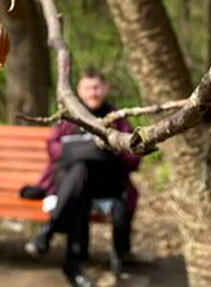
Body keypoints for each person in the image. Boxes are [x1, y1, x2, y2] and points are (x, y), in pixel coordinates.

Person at [21, 68, 140, 286]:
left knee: (82, 174)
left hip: (106, 183)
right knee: (80, 179)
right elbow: (54, 149)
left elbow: (133, 158)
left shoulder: (116, 118)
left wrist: (109, 152)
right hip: (74, 182)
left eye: (96, 87)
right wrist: (87, 150)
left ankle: (50, 233)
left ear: (105, 89)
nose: (92, 92)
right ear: (79, 90)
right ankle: (72, 264)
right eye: (88, 88)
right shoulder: (69, 117)